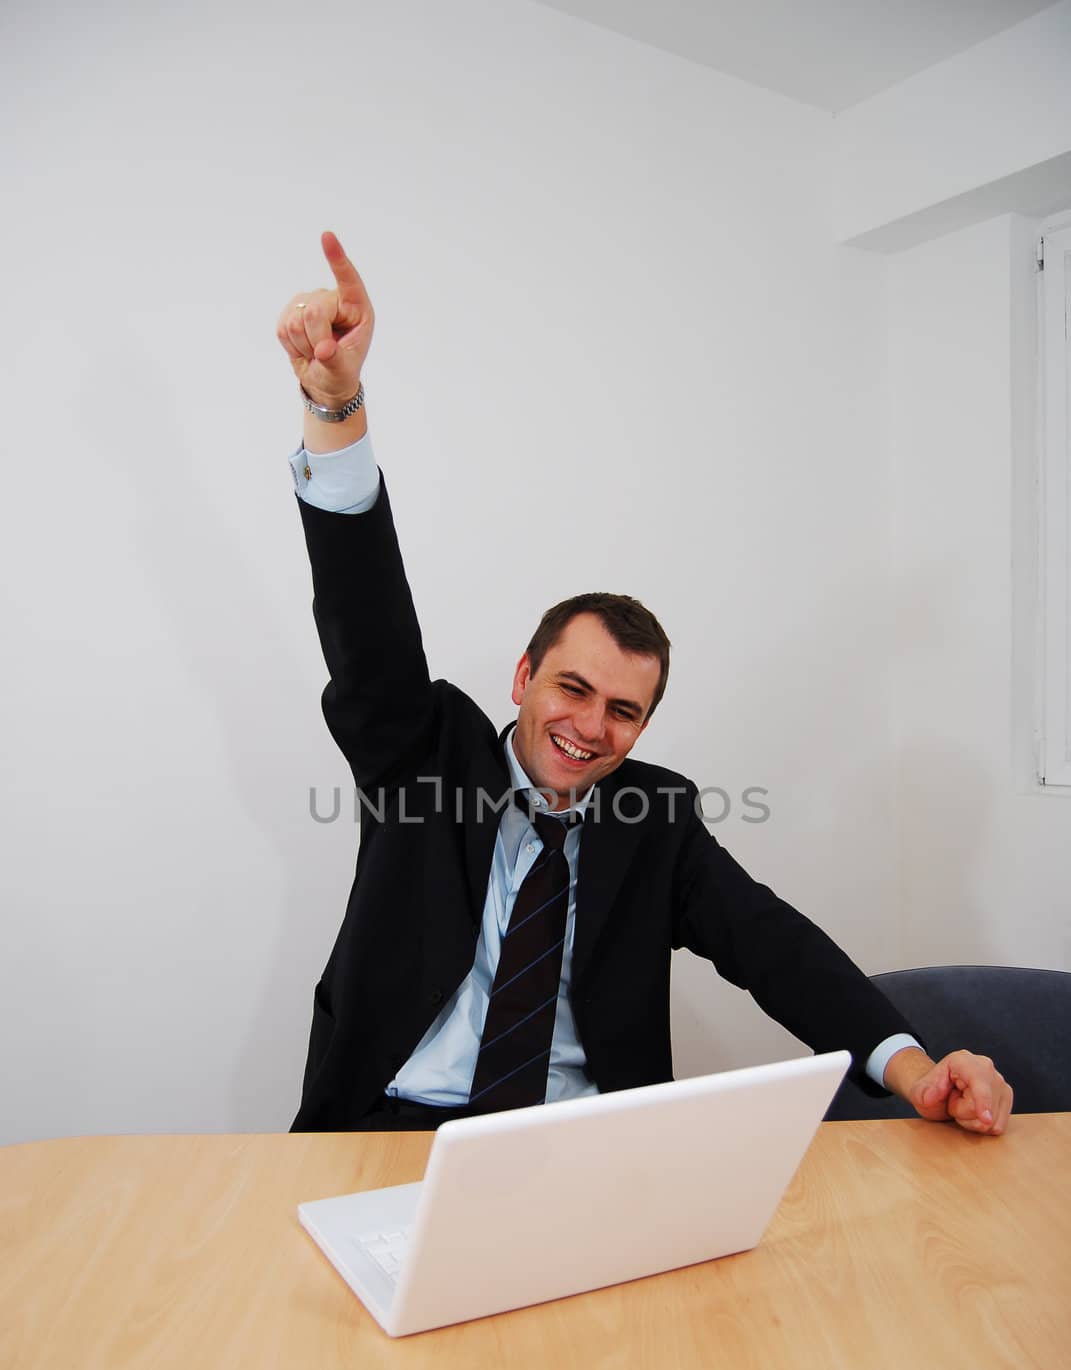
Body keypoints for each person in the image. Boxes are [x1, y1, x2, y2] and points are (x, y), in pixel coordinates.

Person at [277, 230, 1013, 1137]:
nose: (589, 727)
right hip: (392, 1127)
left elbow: (776, 949)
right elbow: (368, 625)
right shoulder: (422, 754)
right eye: (571, 689)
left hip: (585, 1146)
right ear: (522, 677)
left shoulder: (655, 819)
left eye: (623, 710)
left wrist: (913, 1067)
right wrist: (336, 404)